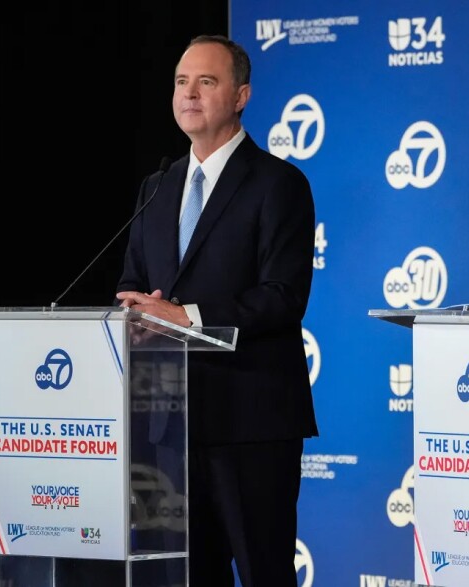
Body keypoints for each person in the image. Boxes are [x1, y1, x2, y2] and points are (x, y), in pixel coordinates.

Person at [116, 34, 317, 586]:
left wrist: (190, 316)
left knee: (261, 571)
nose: (190, 93)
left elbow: (283, 296)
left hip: (250, 420)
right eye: (182, 82)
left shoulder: (279, 183)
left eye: (207, 81)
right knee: (186, 576)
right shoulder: (156, 188)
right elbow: (133, 282)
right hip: (165, 424)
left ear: (241, 96)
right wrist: (138, 315)